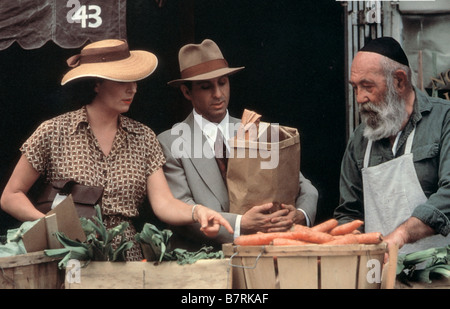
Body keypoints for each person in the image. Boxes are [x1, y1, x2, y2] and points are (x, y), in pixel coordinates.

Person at [0, 39, 233, 261]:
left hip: (126, 259)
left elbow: (163, 204)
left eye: (135, 81)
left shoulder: (143, 137)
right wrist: (50, 226)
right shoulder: (54, 131)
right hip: (68, 257)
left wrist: (198, 212)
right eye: (122, 81)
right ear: (96, 83)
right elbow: (11, 196)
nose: (133, 89)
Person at [157, 39, 318, 249]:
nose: (217, 94)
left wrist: (300, 215)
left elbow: (304, 187)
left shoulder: (256, 129)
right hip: (204, 263)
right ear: (187, 93)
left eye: (222, 82)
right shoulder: (170, 142)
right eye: (206, 87)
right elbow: (184, 210)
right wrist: (241, 225)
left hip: (266, 255)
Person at [334, 37, 450, 255]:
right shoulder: (360, 139)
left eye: (367, 86)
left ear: (399, 81)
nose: (359, 98)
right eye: (355, 88)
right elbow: (348, 213)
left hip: (440, 277)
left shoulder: (444, 120)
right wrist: (355, 241)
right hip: (378, 274)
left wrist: (401, 235)